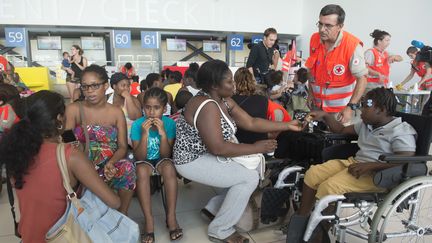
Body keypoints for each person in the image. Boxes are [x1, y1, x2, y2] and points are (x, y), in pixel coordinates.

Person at [173, 60, 303, 243]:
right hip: (191, 160)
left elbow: (251, 122)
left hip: (206, 153)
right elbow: (217, 147)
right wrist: (256, 147)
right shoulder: (207, 105)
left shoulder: (223, 100)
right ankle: (220, 229)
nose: (233, 84)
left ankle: (214, 208)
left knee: (248, 173)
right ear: (213, 85)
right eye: (229, 82)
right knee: (248, 178)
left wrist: (287, 125)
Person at [285, 87, 417, 242]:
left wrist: (371, 166)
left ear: (381, 110)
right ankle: (303, 218)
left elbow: (406, 159)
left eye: (366, 105)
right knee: (313, 173)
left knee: (330, 187)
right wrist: (326, 116)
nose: (361, 109)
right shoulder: (367, 124)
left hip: (379, 175)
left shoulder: (400, 130)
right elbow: (341, 129)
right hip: (355, 164)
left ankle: (320, 234)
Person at [0, 90, 120, 243]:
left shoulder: (15, 151)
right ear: (59, 118)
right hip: (63, 236)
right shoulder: (70, 156)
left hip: (29, 236)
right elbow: (115, 202)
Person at [65, 64, 136, 215]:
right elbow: (66, 138)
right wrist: (77, 148)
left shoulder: (116, 113)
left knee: (128, 169)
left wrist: (111, 163)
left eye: (94, 86)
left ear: (105, 86)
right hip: (81, 166)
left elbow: (122, 146)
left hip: (109, 164)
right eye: (85, 87)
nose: (89, 91)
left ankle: (122, 216)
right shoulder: (74, 109)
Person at [131, 87, 182, 243]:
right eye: (147, 107)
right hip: (144, 160)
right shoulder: (137, 125)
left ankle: (171, 217)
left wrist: (163, 134)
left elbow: (166, 155)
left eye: (156, 108)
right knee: (141, 172)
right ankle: (149, 220)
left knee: (169, 168)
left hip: (161, 159)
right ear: (143, 108)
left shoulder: (169, 124)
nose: (151, 112)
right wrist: (145, 134)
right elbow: (139, 156)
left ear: (164, 108)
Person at [305, 4, 368, 124]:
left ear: (340, 26)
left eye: (328, 25)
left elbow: (362, 79)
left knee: (337, 141)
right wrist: (310, 94)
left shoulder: (352, 46)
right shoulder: (314, 39)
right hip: (317, 108)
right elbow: (311, 70)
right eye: (320, 24)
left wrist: (350, 107)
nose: (322, 29)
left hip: (340, 112)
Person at [108, 72, 142, 143]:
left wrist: (128, 98)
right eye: (123, 85)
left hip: (131, 137)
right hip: (111, 137)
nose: (126, 88)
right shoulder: (107, 100)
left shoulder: (134, 99)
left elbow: (136, 117)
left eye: (128, 86)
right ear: (114, 86)